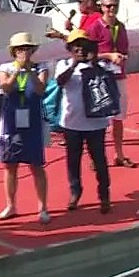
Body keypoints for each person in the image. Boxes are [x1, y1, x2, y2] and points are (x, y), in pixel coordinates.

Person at [55, 29, 118, 213]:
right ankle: (75, 191)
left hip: (96, 123)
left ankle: (104, 194)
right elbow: (60, 81)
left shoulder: (100, 66)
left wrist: (95, 60)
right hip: (72, 122)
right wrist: (75, 64)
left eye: (84, 47)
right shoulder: (63, 64)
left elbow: (111, 78)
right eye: (76, 47)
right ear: (70, 49)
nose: (80, 50)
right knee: (73, 160)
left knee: (99, 160)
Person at [0, 32, 51, 223]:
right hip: (11, 120)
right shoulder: (5, 68)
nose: (24, 53)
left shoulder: (41, 68)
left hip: (33, 120)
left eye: (27, 49)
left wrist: (29, 72)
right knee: (10, 164)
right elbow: (6, 88)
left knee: (36, 165)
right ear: (14, 51)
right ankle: (11, 204)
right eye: (20, 49)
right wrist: (17, 71)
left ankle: (43, 207)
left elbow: (41, 89)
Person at [85, 0, 136, 168]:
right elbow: (86, 54)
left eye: (114, 5)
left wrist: (122, 57)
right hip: (101, 78)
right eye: (108, 6)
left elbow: (125, 49)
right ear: (102, 7)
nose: (111, 9)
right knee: (100, 119)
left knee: (119, 117)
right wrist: (108, 55)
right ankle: (96, 156)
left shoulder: (120, 27)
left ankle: (119, 154)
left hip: (119, 75)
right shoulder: (95, 27)